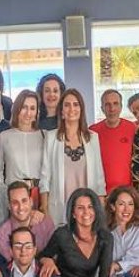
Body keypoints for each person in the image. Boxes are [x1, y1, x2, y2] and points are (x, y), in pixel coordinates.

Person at [40, 88, 106, 225]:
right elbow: (45, 177)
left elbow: (99, 178)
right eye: (67, 105)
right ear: (61, 111)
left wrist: (101, 210)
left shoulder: (93, 138)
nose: (71, 109)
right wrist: (44, 208)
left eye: (76, 104)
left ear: (81, 109)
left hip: (87, 210)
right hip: (59, 208)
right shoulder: (51, 137)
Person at [0, 90, 46, 203]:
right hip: (14, 196)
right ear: (17, 108)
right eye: (24, 107)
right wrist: (2, 198)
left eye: (32, 108)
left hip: (39, 194)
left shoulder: (44, 136)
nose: (28, 113)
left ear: (37, 112)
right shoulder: (4, 137)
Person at [90, 88, 137, 193]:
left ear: (121, 106)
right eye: (107, 104)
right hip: (101, 193)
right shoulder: (92, 132)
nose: (112, 108)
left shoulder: (132, 129)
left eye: (115, 103)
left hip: (127, 193)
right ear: (102, 108)